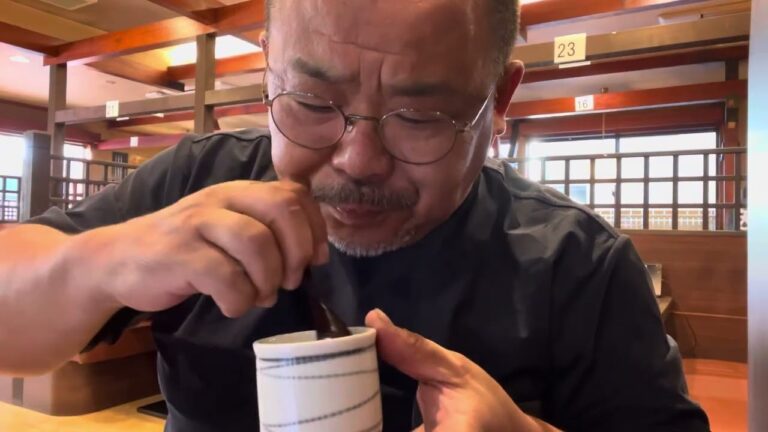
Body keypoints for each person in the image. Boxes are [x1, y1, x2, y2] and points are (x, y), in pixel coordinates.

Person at [0, 0, 709, 431]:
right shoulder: (198, 181)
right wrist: (99, 261)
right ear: (269, 64)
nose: (359, 158)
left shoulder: (577, 267)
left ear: (501, 100)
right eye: (311, 104)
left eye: (422, 115)